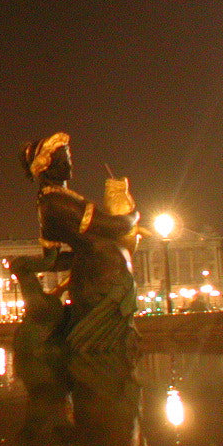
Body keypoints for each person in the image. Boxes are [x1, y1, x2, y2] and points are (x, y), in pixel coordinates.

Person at [18, 133, 141, 354]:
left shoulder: (49, 200)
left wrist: (27, 266)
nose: (70, 163)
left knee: (103, 350)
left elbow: (52, 261)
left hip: (94, 278)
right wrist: (133, 214)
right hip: (105, 281)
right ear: (46, 165)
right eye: (64, 158)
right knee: (105, 352)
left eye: (69, 156)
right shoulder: (58, 202)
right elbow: (114, 227)